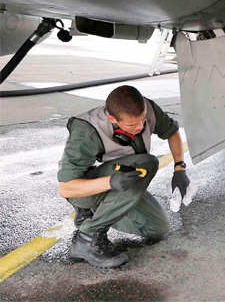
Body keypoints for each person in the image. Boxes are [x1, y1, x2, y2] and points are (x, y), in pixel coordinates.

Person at [57, 85, 190, 268]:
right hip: (87, 190)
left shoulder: (147, 109)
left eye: (142, 121)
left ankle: (96, 213)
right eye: (132, 125)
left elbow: (171, 131)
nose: (140, 127)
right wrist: (110, 182)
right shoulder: (87, 131)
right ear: (111, 118)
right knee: (148, 162)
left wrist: (179, 168)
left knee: (158, 229)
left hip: (123, 183)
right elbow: (66, 188)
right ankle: (87, 238)